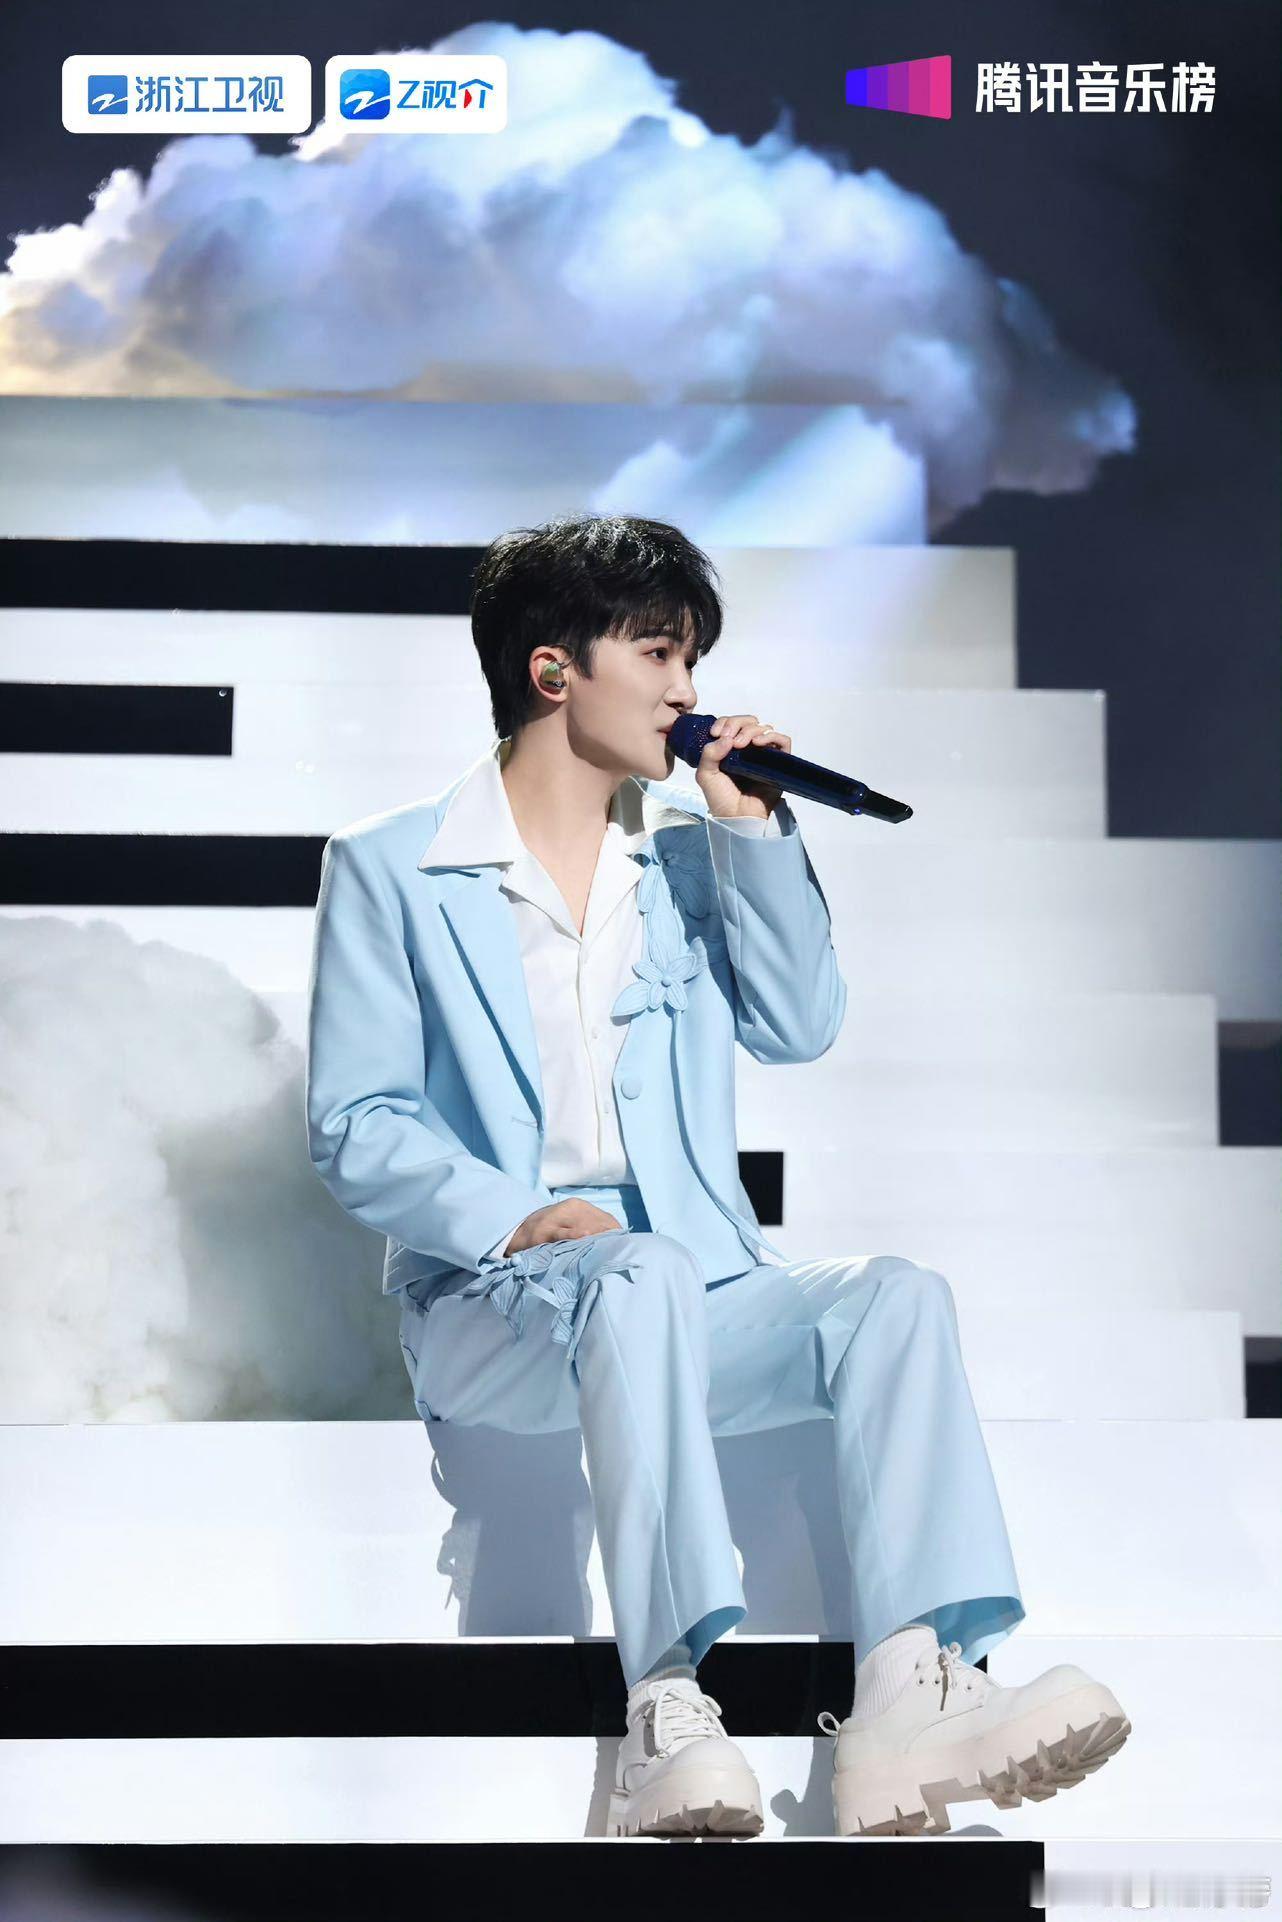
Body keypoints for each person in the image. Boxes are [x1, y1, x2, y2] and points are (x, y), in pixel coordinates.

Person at [305, 512, 1131, 1838]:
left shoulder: (688, 854)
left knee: (890, 1296)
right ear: (553, 670)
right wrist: (516, 1217)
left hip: (691, 1282)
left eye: (691, 658)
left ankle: (907, 1695)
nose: (687, 690)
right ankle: (667, 1704)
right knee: (633, 1274)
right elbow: (356, 1122)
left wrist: (754, 834)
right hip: (494, 1302)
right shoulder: (391, 862)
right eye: (658, 653)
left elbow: (799, 1024)